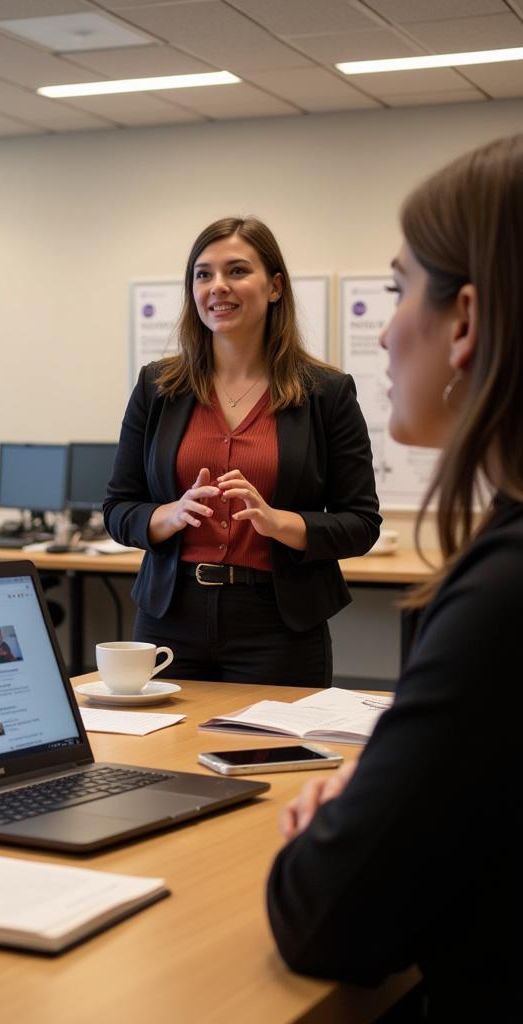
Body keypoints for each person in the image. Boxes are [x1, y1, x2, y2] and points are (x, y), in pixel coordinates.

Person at [267, 135, 521, 1019]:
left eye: (398, 287)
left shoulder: (504, 596)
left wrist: (335, 828)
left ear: (467, 323)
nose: (382, 327)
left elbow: (326, 914)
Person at [104, 217, 380, 686]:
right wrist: (172, 515)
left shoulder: (326, 393)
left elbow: (361, 523)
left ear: (274, 287)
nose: (218, 287)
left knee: (271, 757)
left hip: (278, 622)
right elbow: (117, 508)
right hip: (171, 617)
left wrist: (280, 523)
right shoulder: (157, 387)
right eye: (203, 274)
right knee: (155, 756)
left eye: (236, 271)